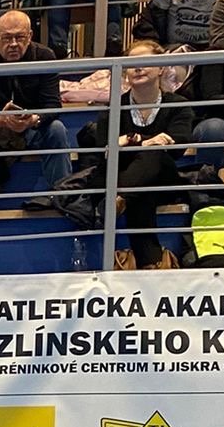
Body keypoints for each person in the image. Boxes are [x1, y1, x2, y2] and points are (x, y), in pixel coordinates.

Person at [78, 40, 195, 269]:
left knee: (155, 156)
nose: (138, 68)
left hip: (162, 179)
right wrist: (148, 141)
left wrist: (130, 142)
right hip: (125, 178)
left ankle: (118, 199)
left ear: (161, 68)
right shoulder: (113, 107)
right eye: (132, 64)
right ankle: (150, 264)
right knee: (141, 191)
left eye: (145, 62)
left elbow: (178, 146)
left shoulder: (178, 105)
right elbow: (104, 149)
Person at [0, 11, 70, 202]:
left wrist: (34, 120)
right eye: (7, 38)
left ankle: (63, 197)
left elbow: (53, 105)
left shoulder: (45, 57)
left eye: (20, 37)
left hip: (32, 128)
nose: (13, 44)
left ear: (30, 36)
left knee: (57, 129)